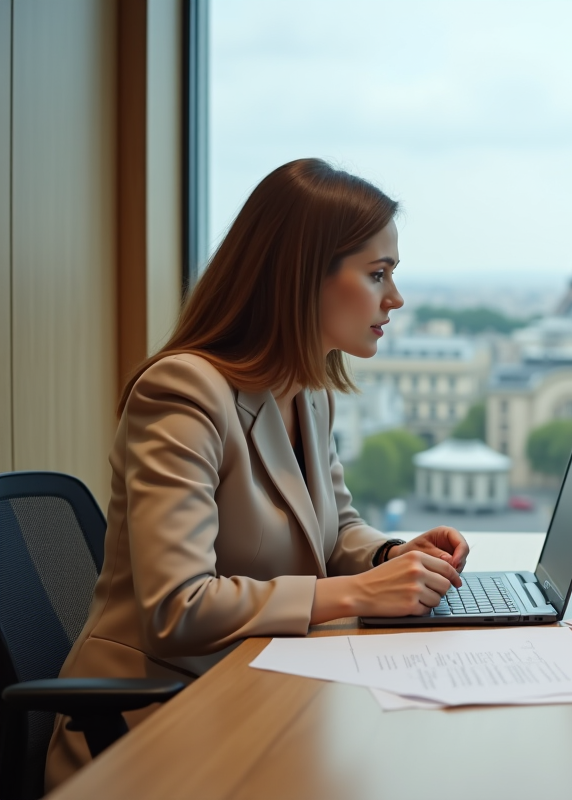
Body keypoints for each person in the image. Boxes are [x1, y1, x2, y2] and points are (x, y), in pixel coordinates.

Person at [46, 159, 469, 787]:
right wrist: (356, 595)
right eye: (377, 274)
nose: (395, 298)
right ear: (302, 278)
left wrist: (390, 554)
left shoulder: (308, 391)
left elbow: (334, 531)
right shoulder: (184, 391)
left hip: (254, 686)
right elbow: (178, 606)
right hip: (151, 718)